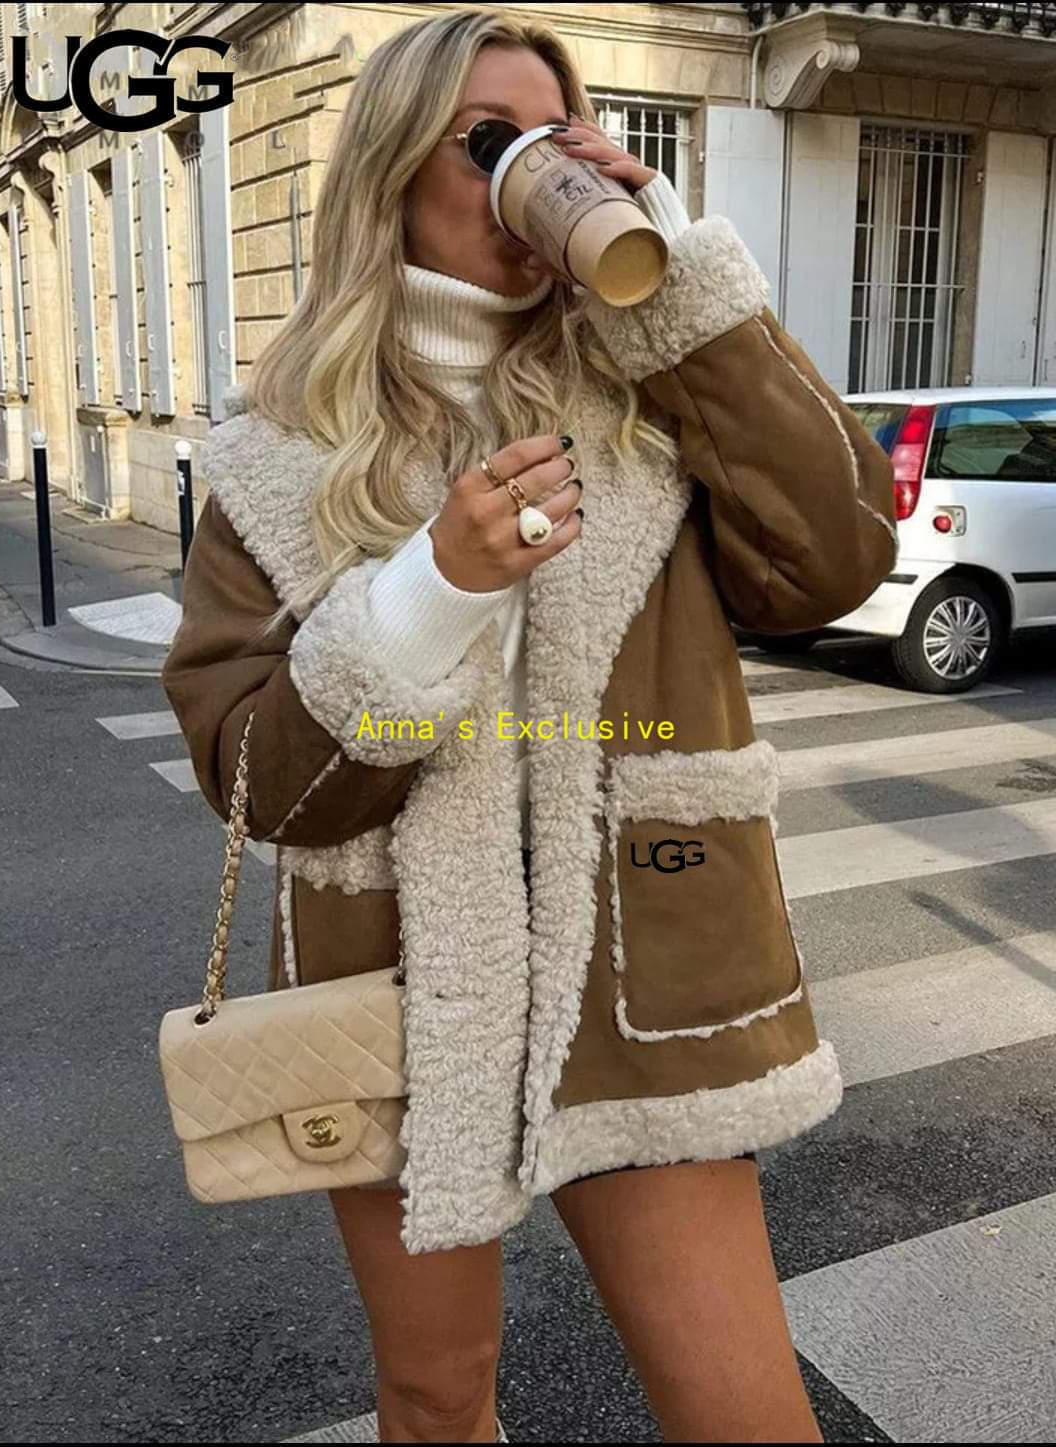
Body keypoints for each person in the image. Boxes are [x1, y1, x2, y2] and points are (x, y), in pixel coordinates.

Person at [161, 7, 898, 1443]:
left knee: (746, 1415)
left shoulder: (653, 393)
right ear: (393, 176)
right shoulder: (276, 457)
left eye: (556, 135)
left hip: (640, 972)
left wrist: (675, 280)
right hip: (400, 991)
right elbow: (254, 783)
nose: (529, 171)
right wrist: (425, 595)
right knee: (437, 1401)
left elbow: (837, 557)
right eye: (488, 142)